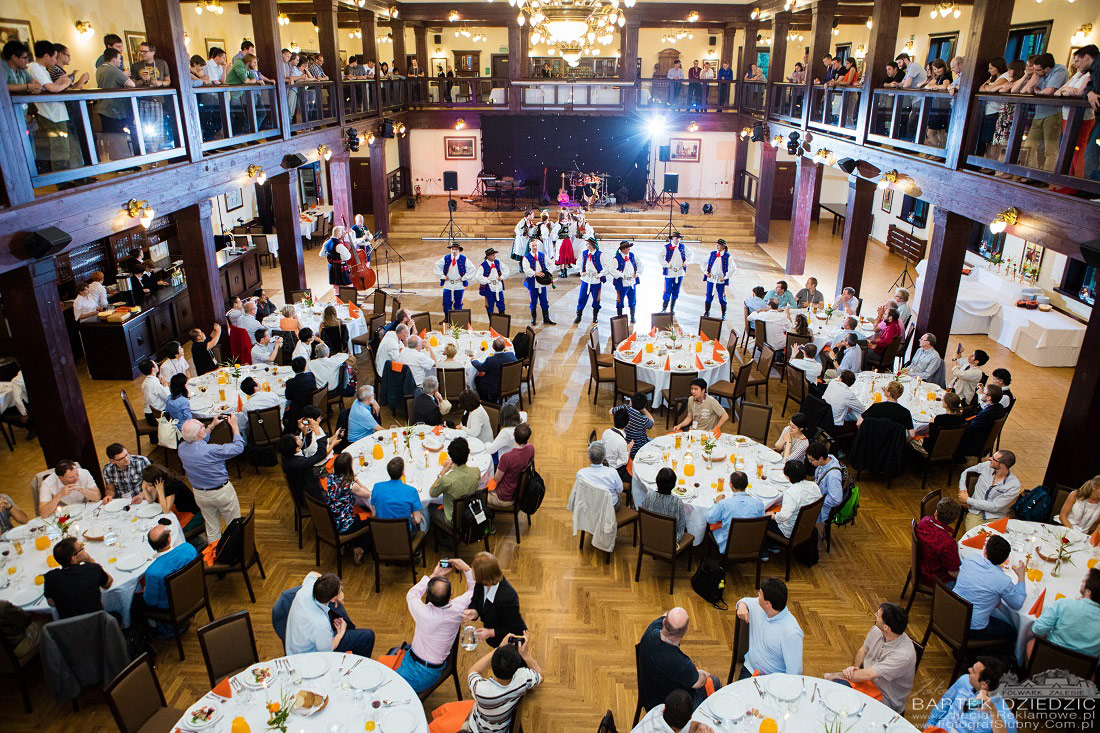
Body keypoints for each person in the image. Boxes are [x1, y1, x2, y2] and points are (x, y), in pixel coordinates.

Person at [397, 557, 476, 692]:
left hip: (421, 673)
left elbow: (412, 593)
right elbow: (474, 590)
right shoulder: (458, 608)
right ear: (451, 594)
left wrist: (434, 574)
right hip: (420, 664)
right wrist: (466, 568)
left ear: (428, 596)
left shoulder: (422, 612)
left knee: (388, 691)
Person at [823, 603, 916, 713]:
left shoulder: (903, 656)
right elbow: (863, 649)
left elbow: (868, 674)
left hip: (884, 697)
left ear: (886, 627)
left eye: (878, 615)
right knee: (831, 694)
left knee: (836, 701)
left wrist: (835, 675)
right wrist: (855, 667)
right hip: (866, 681)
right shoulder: (878, 629)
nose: (874, 614)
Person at [177, 416, 244, 543]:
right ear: (199, 433)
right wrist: (234, 426)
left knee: (212, 529)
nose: (204, 426)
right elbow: (238, 447)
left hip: (200, 495)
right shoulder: (211, 450)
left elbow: (200, 440)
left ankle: (214, 555)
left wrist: (211, 426)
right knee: (234, 524)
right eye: (202, 426)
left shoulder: (182, 449)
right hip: (222, 493)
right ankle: (236, 554)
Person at [638, 608, 717, 710]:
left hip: (648, 692)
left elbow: (666, 614)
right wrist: (703, 675)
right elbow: (698, 683)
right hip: (665, 707)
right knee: (715, 682)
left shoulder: (652, 629)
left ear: (664, 621)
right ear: (686, 630)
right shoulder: (679, 662)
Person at [953, 534, 1027, 645]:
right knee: (1012, 632)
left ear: (985, 551)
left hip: (952, 610)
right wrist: (1021, 576)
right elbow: (1017, 604)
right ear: (1005, 559)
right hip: (972, 628)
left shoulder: (970, 559)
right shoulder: (1003, 581)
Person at [465, 631, 542, 731]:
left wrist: (498, 648)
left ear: (492, 665)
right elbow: (540, 675)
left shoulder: (480, 690)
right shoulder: (523, 678)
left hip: (477, 728)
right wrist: (525, 655)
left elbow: (472, 670)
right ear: (516, 669)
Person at [286, 572, 375, 656]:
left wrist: (335, 594)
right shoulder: (321, 625)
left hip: (295, 644)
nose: (342, 592)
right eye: (341, 591)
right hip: (309, 658)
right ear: (332, 599)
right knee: (368, 636)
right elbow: (328, 650)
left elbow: (313, 573)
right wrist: (341, 632)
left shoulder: (305, 590)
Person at [925, 658, 1017, 733]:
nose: (969, 670)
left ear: (984, 684)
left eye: (973, 671)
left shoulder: (1005, 717)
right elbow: (943, 705)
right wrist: (928, 727)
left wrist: (992, 710)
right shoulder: (964, 680)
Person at [734, 578, 804, 677]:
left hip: (772, 681)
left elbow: (794, 673)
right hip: (750, 669)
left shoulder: (791, 633)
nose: (758, 594)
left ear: (767, 603)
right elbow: (744, 600)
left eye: (760, 593)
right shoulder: (759, 605)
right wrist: (742, 605)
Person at [134, 525, 199, 624]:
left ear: (152, 546)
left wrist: (145, 589)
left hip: (171, 606)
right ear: (169, 539)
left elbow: (151, 602)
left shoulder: (152, 572)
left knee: (132, 602)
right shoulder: (188, 548)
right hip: (194, 591)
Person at [1030, 568, 1100, 659]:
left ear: (1088, 592)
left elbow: (1037, 629)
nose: (1082, 581)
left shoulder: (1064, 604)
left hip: (1050, 658)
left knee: (1030, 643)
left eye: (1085, 581)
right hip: (1080, 669)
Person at [462, 552, 526, 649]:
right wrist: (474, 611)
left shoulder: (507, 598)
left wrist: (490, 632)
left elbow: (517, 629)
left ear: (483, 576)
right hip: (494, 639)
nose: (471, 571)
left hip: (507, 643)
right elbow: (476, 600)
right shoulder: (481, 583)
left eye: (473, 570)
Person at [43, 537, 113, 619]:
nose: (84, 549)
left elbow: (52, 603)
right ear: (74, 558)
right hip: (98, 623)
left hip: (68, 628)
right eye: (81, 548)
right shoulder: (92, 569)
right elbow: (108, 583)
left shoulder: (50, 578)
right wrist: (90, 560)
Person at [957, 451, 1021, 531]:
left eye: (993, 459)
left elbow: (995, 507)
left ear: (1002, 465)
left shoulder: (1013, 485)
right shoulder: (987, 466)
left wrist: (969, 500)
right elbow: (966, 472)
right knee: (974, 538)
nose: (990, 459)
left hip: (996, 517)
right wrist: (963, 490)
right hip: (976, 513)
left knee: (996, 541)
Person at [705, 471, 764, 553]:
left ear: (730, 485)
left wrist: (717, 502)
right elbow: (761, 526)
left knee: (713, 524)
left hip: (729, 546)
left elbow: (710, 519)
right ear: (747, 484)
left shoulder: (724, 504)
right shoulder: (759, 504)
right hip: (752, 544)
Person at [135, 464, 203, 535]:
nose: (149, 486)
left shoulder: (171, 485)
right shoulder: (160, 483)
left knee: (167, 532)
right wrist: (144, 488)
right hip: (177, 512)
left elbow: (166, 510)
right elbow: (150, 501)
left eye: (149, 484)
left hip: (192, 516)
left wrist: (160, 491)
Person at [912, 497, 964, 588]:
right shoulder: (949, 543)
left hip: (921, 567)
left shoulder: (925, 521)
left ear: (936, 512)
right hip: (936, 580)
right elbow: (953, 573)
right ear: (953, 520)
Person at [429, 437, 480, 524]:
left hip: (454, 520)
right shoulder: (476, 471)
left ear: (451, 457)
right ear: (467, 455)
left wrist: (443, 471)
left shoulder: (447, 480)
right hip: (470, 513)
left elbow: (432, 493)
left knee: (430, 507)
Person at [368, 457, 424, 531]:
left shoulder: (377, 487)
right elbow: (417, 520)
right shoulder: (411, 491)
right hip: (404, 535)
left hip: (382, 532)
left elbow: (374, 513)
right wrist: (412, 519)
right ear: (403, 472)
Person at [770, 461, 820, 542]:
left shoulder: (791, 493)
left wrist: (773, 516)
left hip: (790, 530)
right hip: (807, 524)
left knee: (763, 520)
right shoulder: (814, 486)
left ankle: (772, 546)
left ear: (787, 477)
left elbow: (784, 516)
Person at [958, 383, 1007, 459]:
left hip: (974, 443)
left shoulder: (986, 414)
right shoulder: (998, 407)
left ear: (989, 398)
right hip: (983, 439)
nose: (981, 393)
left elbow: (970, 429)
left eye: (983, 392)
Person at [641, 467, 689, 543]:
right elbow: (681, 525)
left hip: (650, 535)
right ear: (673, 485)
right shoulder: (677, 501)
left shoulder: (649, 496)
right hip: (670, 541)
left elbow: (644, 515)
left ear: (657, 481)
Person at [578, 441, 625, 508]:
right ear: (604, 457)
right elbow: (620, 490)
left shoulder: (581, 474)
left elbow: (581, 492)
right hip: (611, 508)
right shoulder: (613, 472)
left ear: (589, 456)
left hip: (590, 507)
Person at [807, 441, 845, 523]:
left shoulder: (833, 476)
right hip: (817, 494)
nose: (810, 462)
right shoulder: (827, 460)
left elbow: (836, 499)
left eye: (812, 460)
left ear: (820, 458)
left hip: (822, 509)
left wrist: (817, 500)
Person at [520, 239, 556, 326]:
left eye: (536, 245)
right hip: (532, 283)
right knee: (533, 301)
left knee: (544, 300)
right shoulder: (526, 258)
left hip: (542, 283)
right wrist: (535, 273)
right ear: (530, 247)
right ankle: (533, 318)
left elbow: (552, 264)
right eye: (533, 245)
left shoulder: (542, 255)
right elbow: (526, 269)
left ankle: (546, 318)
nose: (535, 247)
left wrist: (548, 273)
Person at [472, 337, 518, 404]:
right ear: (505, 346)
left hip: (494, 386)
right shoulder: (511, 355)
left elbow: (480, 368)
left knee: (477, 379)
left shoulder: (490, 360)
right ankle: (492, 399)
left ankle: (486, 401)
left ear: (493, 347)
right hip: (509, 383)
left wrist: (473, 360)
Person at [573, 237, 606, 325]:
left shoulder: (600, 254)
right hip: (586, 280)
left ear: (592, 245)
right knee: (582, 298)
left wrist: (599, 275)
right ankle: (579, 315)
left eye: (587, 243)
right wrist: (581, 271)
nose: (586, 245)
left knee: (596, 299)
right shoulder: (584, 254)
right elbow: (579, 263)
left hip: (595, 281)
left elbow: (606, 267)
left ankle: (595, 316)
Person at [434, 242, 470, 320]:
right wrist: (442, 276)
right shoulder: (446, 258)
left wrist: (464, 278)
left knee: (458, 303)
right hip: (448, 284)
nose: (454, 251)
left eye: (456, 250)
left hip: (459, 284)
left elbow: (472, 269)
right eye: (452, 249)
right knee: (446, 302)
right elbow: (436, 265)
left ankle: (457, 319)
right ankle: (447, 318)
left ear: (459, 251)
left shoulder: (464, 259)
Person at [612, 392, 654, 458]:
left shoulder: (624, 407)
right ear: (644, 406)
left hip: (624, 445)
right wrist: (644, 409)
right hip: (639, 448)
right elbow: (652, 422)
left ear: (631, 401)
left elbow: (611, 411)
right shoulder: (643, 419)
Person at [283, 356, 318, 431]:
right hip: (312, 404)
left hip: (298, 410)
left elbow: (288, 397)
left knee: (285, 410)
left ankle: (289, 430)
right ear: (305, 367)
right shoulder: (311, 375)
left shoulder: (291, 382)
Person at [611, 240, 642, 324]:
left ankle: (632, 316)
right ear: (623, 249)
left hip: (632, 282)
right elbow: (612, 270)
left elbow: (640, 265)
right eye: (627, 248)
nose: (629, 249)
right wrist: (621, 275)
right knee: (620, 300)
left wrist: (637, 273)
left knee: (632, 300)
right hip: (622, 283)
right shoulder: (616, 258)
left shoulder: (632, 255)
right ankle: (620, 317)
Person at [701, 239, 733, 319]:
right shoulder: (712, 254)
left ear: (723, 246)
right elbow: (703, 262)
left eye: (719, 245)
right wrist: (705, 272)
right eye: (717, 245)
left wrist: (725, 277)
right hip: (711, 279)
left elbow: (733, 268)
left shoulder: (727, 256)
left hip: (720, 280)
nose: (717, 246)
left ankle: (723, 313)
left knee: (721, 297)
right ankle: (707, 311)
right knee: (708, 296)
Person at [661, 232, 691, 314]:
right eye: (675, 238)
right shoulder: (667, 247)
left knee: (676, 290)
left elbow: (691, 254)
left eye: (678, 238)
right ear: (672, 238)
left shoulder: (683, 247)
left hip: (680, 272)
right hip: (670, 272)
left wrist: (686, 262)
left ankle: (672, 308)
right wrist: (666, 265)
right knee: (667, 290)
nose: (677, 240)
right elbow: (660, 257)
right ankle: (664, 308)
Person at [601, 410, 633, 484]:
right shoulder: (621, 441)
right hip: (615, 470)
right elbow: (624, 461)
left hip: (603, 464)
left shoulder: (606, 432)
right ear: (628, 423)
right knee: (635, 477)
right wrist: (628, 449)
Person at [477, 248, 508, 317]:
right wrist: (488, 280)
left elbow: (506, 269)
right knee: (490, 306)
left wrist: (502, 277)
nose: (494, 256)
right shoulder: (483, 265)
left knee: (501, 304)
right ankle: (492, 323)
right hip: (489, 288)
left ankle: (501, 320)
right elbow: (478, 276)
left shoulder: (498, 262)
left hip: (498, 286)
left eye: (494, 255)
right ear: (488, 257)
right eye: (492, 255)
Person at [139, 359, 170, 426]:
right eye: (155, 363)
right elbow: (167, 397)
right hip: (157, 415)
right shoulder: (153, 383)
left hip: (149, 412)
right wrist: (165, 385)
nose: (157, 364)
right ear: (153, 369)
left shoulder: (146, 382)